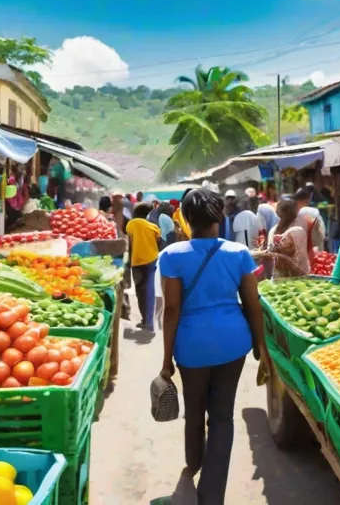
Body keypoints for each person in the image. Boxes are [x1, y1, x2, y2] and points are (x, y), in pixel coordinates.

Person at [158, 188, 264, 504]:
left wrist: (166, 360)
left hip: (191, 347)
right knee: (221, 416)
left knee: (195, 409)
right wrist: (260, 347)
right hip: (233, 344)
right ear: (219, 218)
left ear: (186, 219)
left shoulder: (172, 256)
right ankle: (212, 492)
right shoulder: (239, 253)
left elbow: (172, 310)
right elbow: (253, 304)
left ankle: (194, 461)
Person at [126, 202, 161, 332]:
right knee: (151, 291)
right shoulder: (153, 226)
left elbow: (129, 244)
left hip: (137, 262)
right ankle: (150, 322)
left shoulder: (131, 224)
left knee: (141, 291)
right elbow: (158, 240)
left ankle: (145, 320)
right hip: (153, 260)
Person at [253, 199, 310, 278]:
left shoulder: (275, 231)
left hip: (283, 275)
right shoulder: (297, 230)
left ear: (277, 213)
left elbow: (272, 254)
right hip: (296, 275)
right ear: (295, 213)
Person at [293, 187, 326, 254]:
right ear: (307, 200)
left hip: (300, 247)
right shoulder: (313, 211)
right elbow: (322, 232)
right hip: (314, 246)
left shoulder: (294, 212)